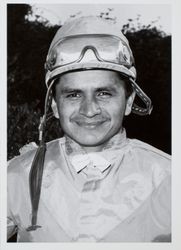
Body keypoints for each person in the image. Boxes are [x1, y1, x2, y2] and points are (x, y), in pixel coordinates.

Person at [7, 16, 171, 242]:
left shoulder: (168, 179)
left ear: (130, 100)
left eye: (104, 93)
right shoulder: (16, 175)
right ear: (54, 104)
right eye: (73, 94)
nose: (90, 109)